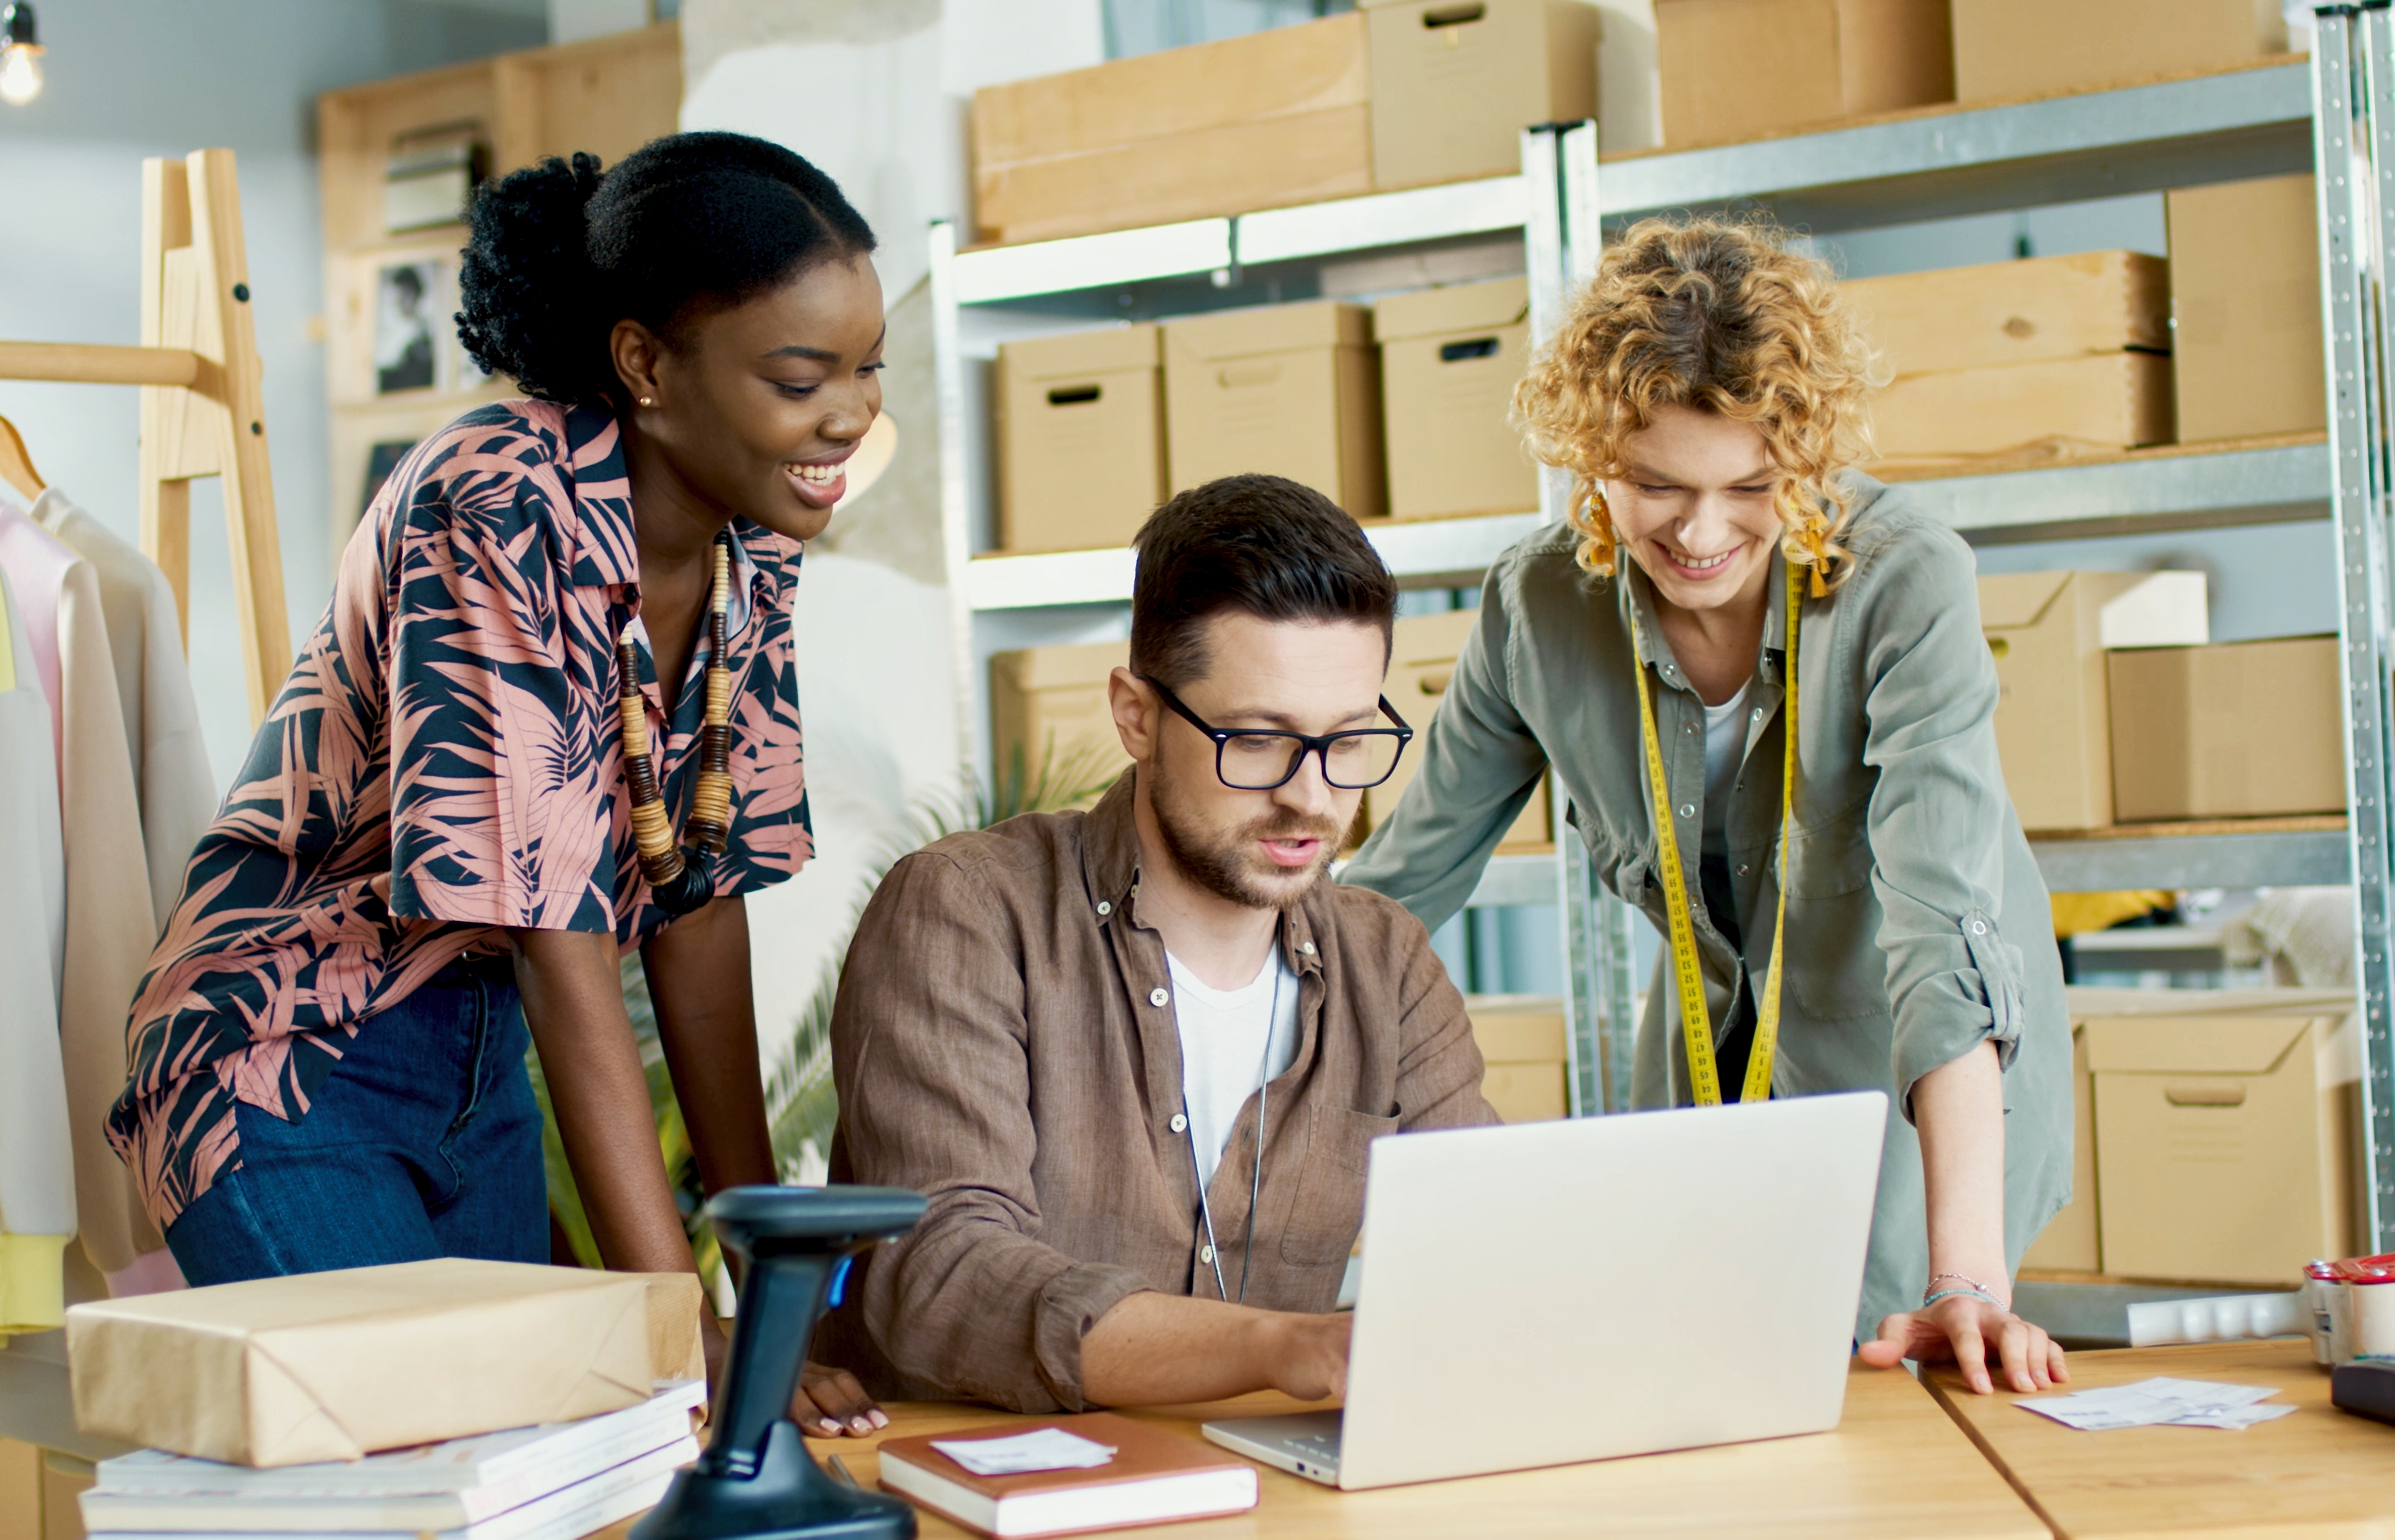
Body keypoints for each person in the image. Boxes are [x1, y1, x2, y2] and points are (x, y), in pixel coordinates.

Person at [114, 133, 887, 1434]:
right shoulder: (500, 499)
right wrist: (672, 1321)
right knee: (422, 1473)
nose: (851, 415)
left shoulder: (752, 546)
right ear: (647, 364)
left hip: (483, 1071)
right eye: (802, 377)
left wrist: (764, 1288)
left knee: (548, 1477)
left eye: (869, 369)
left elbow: (696, 903)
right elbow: (557, 937)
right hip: (286, 1062)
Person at [1343, 215, 2075, 1395]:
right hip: (1706, 1055)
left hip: (1921, 1076)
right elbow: (1396, 892)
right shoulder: (1539, 606)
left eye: (1750, 488)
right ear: (1593, 458)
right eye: (1655, 486)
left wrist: (1968, 1284)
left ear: (1811, 457)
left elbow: (1943, 939)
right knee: (1693, 1382)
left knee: (1891, 1385)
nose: (1699, 532)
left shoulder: (1904, 579)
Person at [824, 475, 1498, 1415]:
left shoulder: (1386, 964)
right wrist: (1278, 1345)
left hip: (1271, 1498)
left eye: (1349, 741)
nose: (1312, 797)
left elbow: (1489, 1244)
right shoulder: (968, 913)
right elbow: (942, 1273)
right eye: (1258, 741)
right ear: (1136, 715)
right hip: (991, 1493)